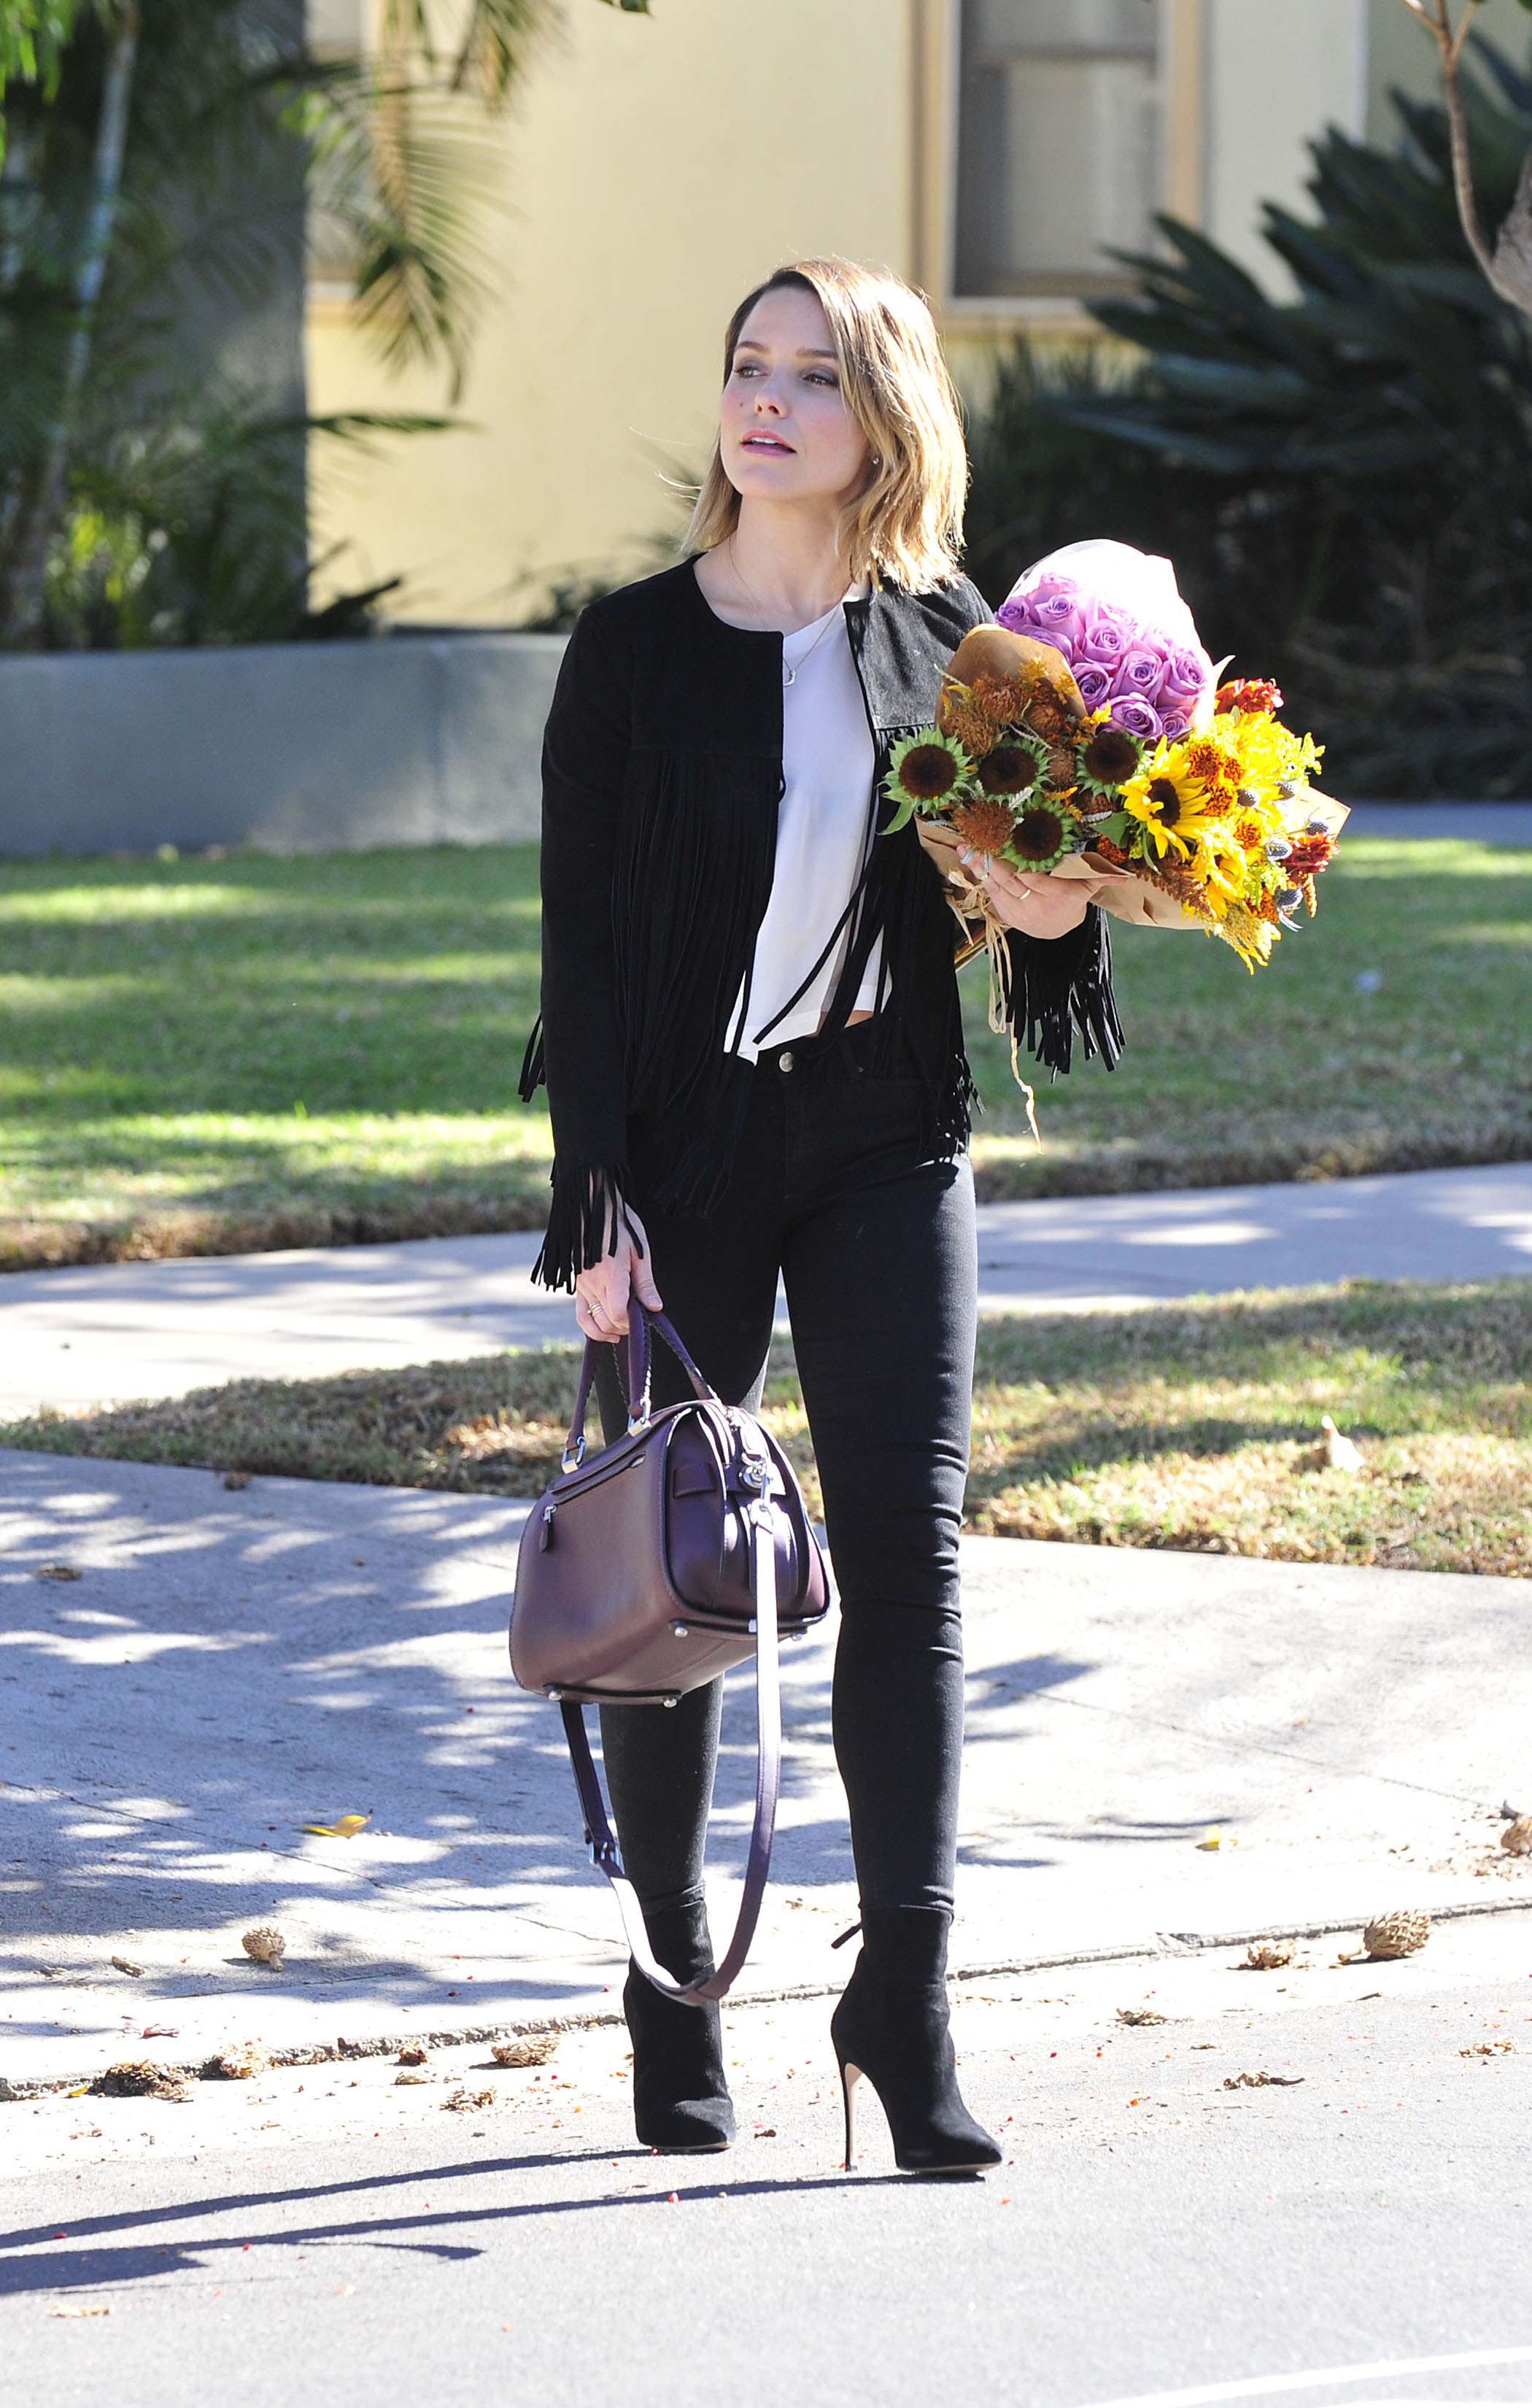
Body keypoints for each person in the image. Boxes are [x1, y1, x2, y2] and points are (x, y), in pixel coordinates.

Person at [520, 256, 1123, 2174]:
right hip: (683, 1141)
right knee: (681, 1567)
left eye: (813, 375)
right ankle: (673, 1967)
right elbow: (582, 948)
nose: (766, 402)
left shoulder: (953, 647)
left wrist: (1059, 903)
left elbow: (1038, 918)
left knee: (910, 1557)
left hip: (883, 1133)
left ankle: (904, 1996)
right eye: (746, 367)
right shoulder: (631, 647)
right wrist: (597, 1195)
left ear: (884, 419)